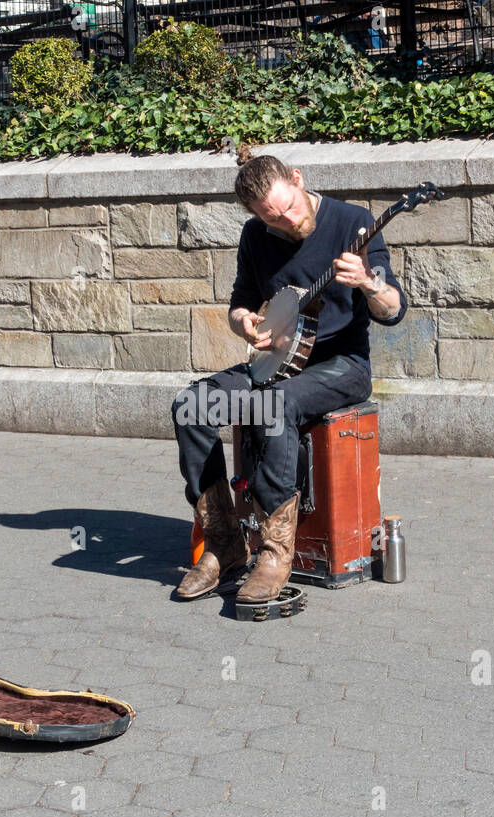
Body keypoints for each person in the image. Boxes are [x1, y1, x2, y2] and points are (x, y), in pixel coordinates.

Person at [170, 154, 407, 604]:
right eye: (272, 218)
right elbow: (241, 302)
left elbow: (394, 311)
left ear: (297, 179)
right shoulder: (255, 236)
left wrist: (368, 284)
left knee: (275, 403)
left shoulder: (354, 223)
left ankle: (275, 551)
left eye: (290, 207)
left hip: (342, 366)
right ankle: (224, 543)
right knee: (192, 405)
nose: (287, 220)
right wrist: (245, 323)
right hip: (278, 362)